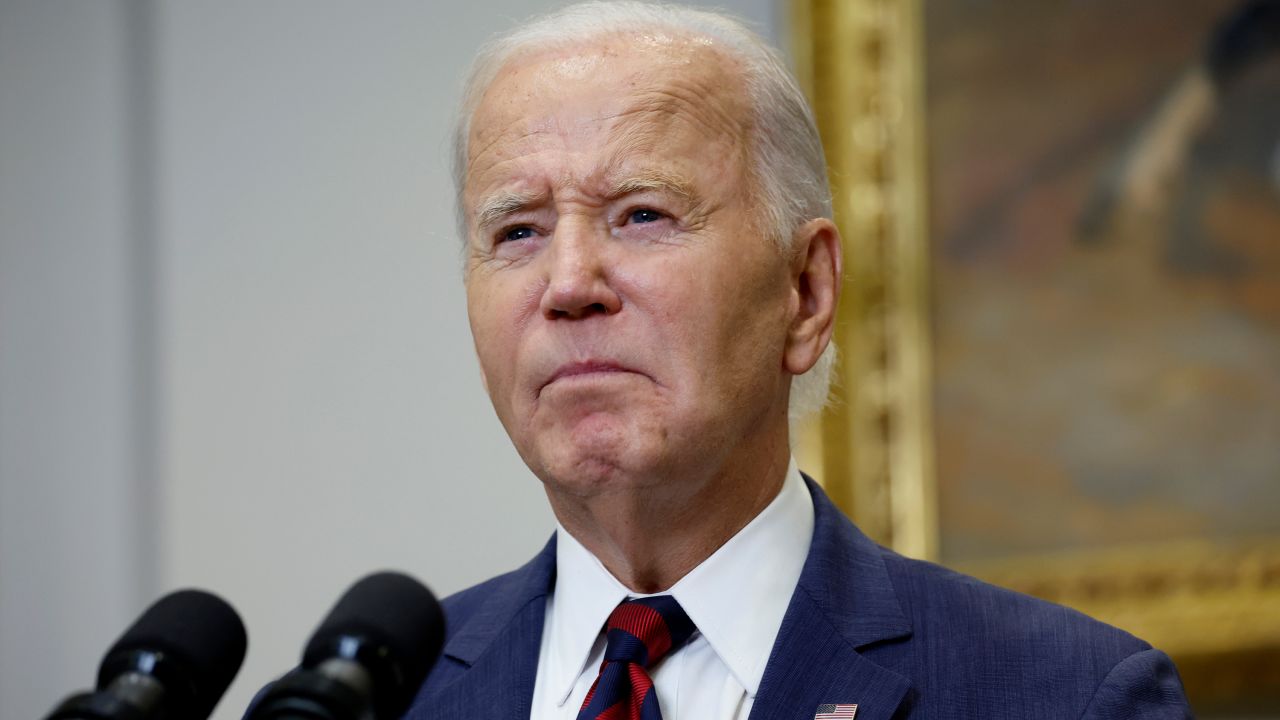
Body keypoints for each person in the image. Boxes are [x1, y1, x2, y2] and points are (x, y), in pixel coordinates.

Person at [406, 2, 1191, 718]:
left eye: (642, 214)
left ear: (806, 291)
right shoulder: (378, 698)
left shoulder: (1069, 697)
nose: (569, 284)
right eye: (517, 233)